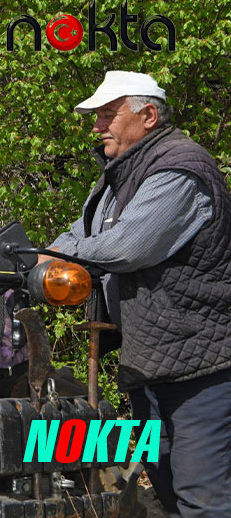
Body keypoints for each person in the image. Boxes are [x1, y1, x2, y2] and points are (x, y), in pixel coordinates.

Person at [44, 71, 231, 517]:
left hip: (201, 366)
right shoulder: (120, 174)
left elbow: (128, 247)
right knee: (166, 485)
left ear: (147, 115)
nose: (97, 126)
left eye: (108, 114)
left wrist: (52, 261)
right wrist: (39, 256)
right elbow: (83, 233)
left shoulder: (180, 168)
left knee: (203, 497)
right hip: (152, 363)